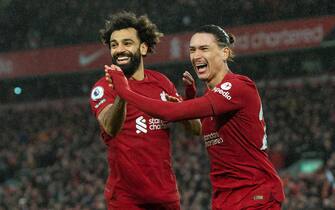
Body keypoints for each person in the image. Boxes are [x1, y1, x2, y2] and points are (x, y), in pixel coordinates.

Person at [105, 24, 285, 210]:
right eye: (192, 50)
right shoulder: (212, 97)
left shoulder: (238, 86)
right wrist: (188, 100)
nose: (196, 55)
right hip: (225, 197)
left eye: (204, 48)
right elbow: (198, 128)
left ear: (224, 53)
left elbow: (169, 113)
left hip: (254, 194)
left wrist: (124, 91)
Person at [89, 12, 201, 210]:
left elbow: (196, 129)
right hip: (126, 200)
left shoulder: (162, 82)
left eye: (127, 43)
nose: (119, 50)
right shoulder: (103, 87)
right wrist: (122, 92)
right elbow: (110, 127)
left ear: (142, 47)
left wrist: (183, 109)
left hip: (166, 197)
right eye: (114, 45)